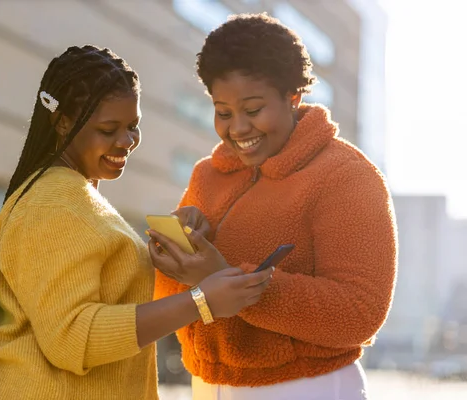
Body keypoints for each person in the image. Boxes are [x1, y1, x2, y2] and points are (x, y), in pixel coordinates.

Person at [0, 45, 273, 400]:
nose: (126, 141)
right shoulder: (52, 203)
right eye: (108, 129)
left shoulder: (77, 196)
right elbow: (74, 338)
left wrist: (172, 242)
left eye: (133, 126)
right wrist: (202, 302)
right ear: (62, 123)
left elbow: (105, 292)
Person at [151, 13, 397, 400]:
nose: (238, 129)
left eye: (252, 110)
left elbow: (358, 312)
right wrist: (175, 249)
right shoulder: (208, 176)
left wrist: (234, 282)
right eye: (223, 112)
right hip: (207, 387)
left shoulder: (346, 176)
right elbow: (171, 300)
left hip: (305, 388)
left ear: (292, 96)